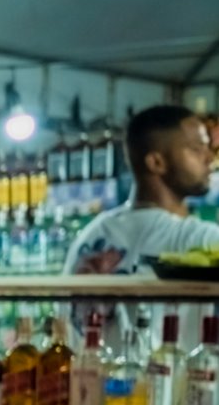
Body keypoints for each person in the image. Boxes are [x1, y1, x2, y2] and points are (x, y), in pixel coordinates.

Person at [63, 104, 218, 277]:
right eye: (197, 149)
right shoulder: (201, 239)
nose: (210, 157)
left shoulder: (91, 235)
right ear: (156, 163)